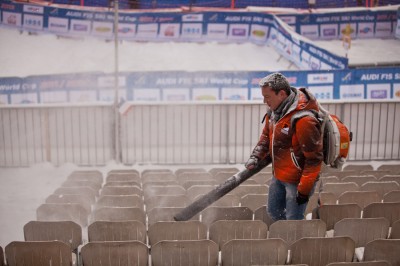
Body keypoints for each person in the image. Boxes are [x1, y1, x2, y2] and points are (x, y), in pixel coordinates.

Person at [245, 72, 323, 221]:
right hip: (279, 175)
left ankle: (291, 242)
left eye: (267, 97)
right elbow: (266, 137)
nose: (264, 101)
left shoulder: (304, 120)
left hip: (297, 182)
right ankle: (283, 239)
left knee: (293, 221)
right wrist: (256, 156)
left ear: (281, 94)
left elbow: (314, 160)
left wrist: (304, 191)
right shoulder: (275, 112)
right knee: (274, 213)